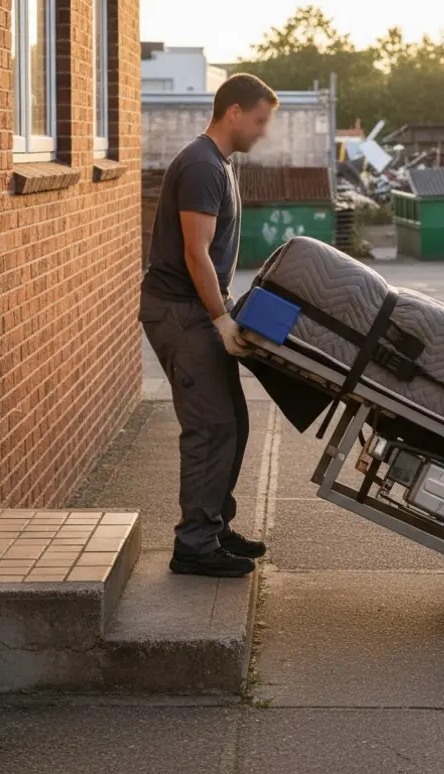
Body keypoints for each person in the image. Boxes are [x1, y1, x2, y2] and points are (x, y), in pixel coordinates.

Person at [140, 74, 279, 578]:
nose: (263, 132)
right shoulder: (201, 166)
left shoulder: (218, 163)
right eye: (259, 120)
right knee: (210, 427)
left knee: (233, 422)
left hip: (198, 310)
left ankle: (215, 527)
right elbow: (195, 253)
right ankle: (194, 545)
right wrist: (221, 318)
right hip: (182, 314)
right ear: (233, 112)